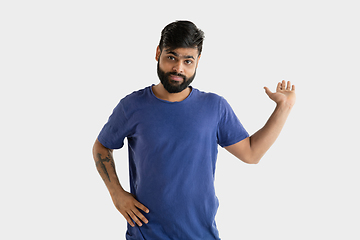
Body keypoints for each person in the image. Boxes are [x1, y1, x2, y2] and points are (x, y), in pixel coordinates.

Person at [92, 20, 296, 240]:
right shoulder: (132, 106)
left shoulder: (214, 107)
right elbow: (102, 147)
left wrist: (284, 107)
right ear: (158, 53)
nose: (179, 68)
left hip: (201, 235)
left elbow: (252, 153)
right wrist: (117, 194)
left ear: (198, 61)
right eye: (172, 57)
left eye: (188, 61)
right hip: (146, 234)